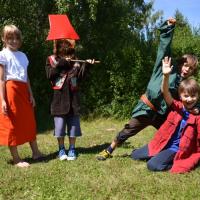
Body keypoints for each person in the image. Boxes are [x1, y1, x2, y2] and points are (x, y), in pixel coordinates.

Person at [96, 18, 199, 161]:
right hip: (147, 108)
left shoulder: (186, 83)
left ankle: (177, 154)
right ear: (181, 63)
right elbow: (164, 46)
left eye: (191, 68)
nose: (187, 69)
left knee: (172, 132)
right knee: (128, 130)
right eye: (185, 65)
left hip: (163, 114)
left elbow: (190, 98)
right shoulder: (165, 65)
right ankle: (109, 149)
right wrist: (169, 29)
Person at [131, 56, 200, 173]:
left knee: (152, 165)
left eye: (193, 96)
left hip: (176, 149)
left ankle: (172, 161)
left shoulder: (197, 116)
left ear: (198, 96)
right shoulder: (177, 106)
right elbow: (165, 92)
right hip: (163, 142)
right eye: (186, 96)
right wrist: (166, 75)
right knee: (135, 155)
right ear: (180, 96)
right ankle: (159, 154)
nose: (189, 99)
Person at [0, 25, 43, 168]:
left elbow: (26, 77)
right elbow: (1, 79)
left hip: (24, 90)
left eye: (16, 38)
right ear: (4, 39)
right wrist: (3, 100)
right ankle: (16, 158)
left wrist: (31, 94)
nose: (14, 41)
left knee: (29, 120)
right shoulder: (3, 54)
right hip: (10, 90)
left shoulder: (23, 56)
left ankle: (36, 152)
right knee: (12, 124)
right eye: (10, 38)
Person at [45, 39, 95, 161]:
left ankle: (72, 148)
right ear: (58, 51)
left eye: (69, 53)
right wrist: (61, 62)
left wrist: (87, 65)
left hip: (74, 101)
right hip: (58, 101)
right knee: (59, 127)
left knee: (73, 127)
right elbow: (50, 75)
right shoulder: (51, 60)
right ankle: (61, 149)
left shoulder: (76, 61)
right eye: (64, 54)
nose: (67, 56)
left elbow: (80, 78)